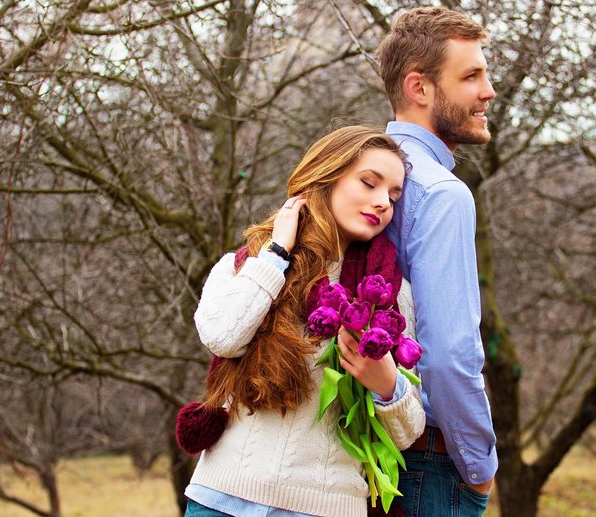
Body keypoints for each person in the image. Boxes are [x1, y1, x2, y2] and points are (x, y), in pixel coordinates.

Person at [180, 126, 425, 517]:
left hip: (325, 507)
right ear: (323, 177)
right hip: (220, 498)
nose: (383, 203)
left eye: (393, 196)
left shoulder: (390, 293)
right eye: (369, 183)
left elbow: (409, 431)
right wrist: (277, 253)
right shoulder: (248, 264)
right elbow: (223, 337)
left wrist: (387, 385)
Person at [374, 6, 498, 516]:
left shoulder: (356, 177)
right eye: (471, 75)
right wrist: (479, 466)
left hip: (371, 450)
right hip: (430, 461)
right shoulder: (441, 193)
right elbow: (448, 354)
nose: (488, 90)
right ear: (419, 88)